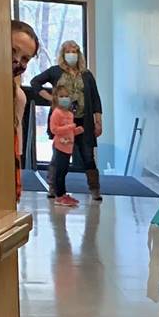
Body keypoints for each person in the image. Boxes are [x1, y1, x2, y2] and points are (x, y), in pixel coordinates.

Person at [30, 41, 102, 204]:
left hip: (83, 120)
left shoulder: (87, 74)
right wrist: (51, 98)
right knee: (59, 156)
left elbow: (96, 99)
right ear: (63, 54)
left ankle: (94, 189)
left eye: (75, 51)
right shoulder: (56, 71)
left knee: (88, 156)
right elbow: (35, 82)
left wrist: (98, 121)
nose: (72, 55)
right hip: (62, 120)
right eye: (68, 51)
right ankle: (54, 187)